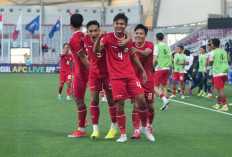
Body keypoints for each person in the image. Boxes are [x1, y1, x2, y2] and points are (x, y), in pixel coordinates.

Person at [93, 13, 155, 143]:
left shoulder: (128, 39)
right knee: (120, 105)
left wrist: (143, 70)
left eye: (122, 24)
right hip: (116, 77)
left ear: (125, 25)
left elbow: (133, 55)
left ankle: (144, 127)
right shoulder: (108, 38)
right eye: (117, 23)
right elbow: (96, 50)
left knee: (142, 101)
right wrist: (99, 37)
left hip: (130, 75)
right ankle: (123, 134)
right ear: (113, 24)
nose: (119, 26)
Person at [83, 20, 117, 140]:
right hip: (93, 73)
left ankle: (113, 127)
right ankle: (95, 130)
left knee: (111, 99)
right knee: (94, 98)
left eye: (95, 31)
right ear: (87, 32)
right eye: (91, 31)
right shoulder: (85, 39)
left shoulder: (106, 39)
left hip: (108, 73)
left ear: (99, 31)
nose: (93, 33)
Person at [130, 24, 155, 139]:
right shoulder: (130, 45)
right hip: (134, 79)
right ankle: (137, 130)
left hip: (147, 79)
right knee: (135, 105)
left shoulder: (149, 45)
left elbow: (146, 53)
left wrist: (136, 50)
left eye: (141, 33)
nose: (138, 35)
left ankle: (149, 126)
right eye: (137, 33)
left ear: (145, 36)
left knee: (149, 106)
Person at [68, 14, 90, 138]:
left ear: (70, 24)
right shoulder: (84, 35)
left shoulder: (74, 40)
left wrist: (92, 73)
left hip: (81, 73)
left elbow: (83, 58)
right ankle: (84, 120)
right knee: (72, 92)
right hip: (79, 72)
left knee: (80, 100)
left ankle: (81, 128)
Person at [153, 32, 173, 110]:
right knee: (163, 86)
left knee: (155, 87)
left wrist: (154, 65)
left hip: (160, 68)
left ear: (156, 38)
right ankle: (166, 106)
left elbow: (155, 60)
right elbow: (172, 59)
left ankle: (165, 100)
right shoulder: (168, 47)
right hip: (167, 68)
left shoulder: (156, 46)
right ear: (163, 38)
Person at [210, 38, 229, 111]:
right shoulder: (224, 51)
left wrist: (208, 61)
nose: (211, 45)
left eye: (211, 43)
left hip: (218, 72)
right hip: (224, 72)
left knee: (220, 89)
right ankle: (217, 105)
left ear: (213, 44)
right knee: (219, 89)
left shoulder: (213, 52)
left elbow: (210, 63)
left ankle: (225, 106)